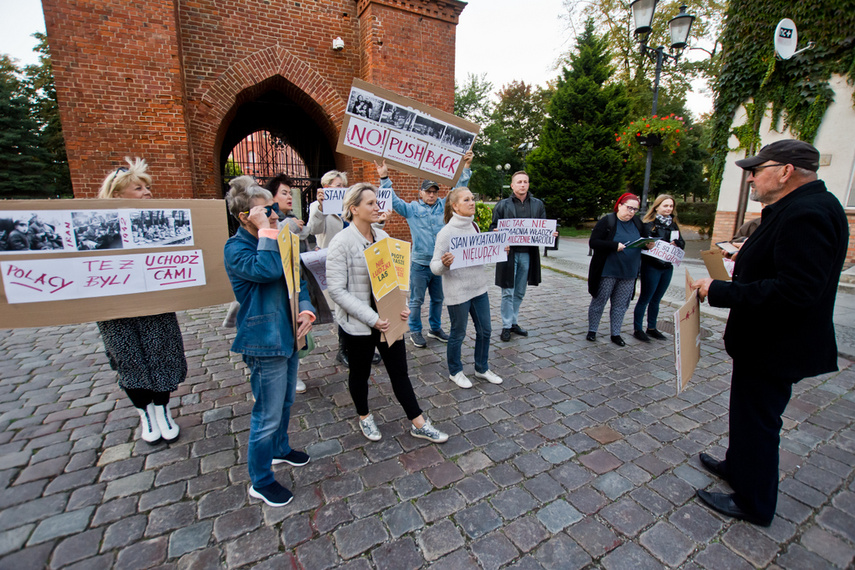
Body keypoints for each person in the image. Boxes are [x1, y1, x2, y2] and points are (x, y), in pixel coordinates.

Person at [691, 139, 848, 527]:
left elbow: (796, 290)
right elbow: (782, 263)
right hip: (763, 341)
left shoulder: (806, 213)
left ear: (786, 171)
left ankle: (753, 502)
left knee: (759, 421)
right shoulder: (798, 207)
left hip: (776, 344)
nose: (751, 179)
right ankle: (737, 467)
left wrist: (720, 290)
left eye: (758, 170)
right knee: (746, 414)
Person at [326, 183, 448, 444]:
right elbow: (336, 290)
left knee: (400, 372)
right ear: (353, 209)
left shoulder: (382, 238)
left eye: (376, 201)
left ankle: (418, 422)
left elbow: (393, 280)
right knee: (359, 374)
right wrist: (372, 319)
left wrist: (400, 306)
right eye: (370, 203)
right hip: (360, 324)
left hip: (389, 319)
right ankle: (364, 416)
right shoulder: (341, 243)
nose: (377, 206)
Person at [224, 176, 316, 507]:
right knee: (267, 414)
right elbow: (266, 271)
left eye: (274, 208)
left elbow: (297, 277)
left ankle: (280, 449)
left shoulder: (275, 238)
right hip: (264, 340)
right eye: (266, 210)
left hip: (289, 332)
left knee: (286, 402)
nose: (275, 214)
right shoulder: (236, 248)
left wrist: (306, 310)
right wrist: (266, 230)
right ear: (244, 216)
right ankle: (260, 480)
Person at [96, 158, 187, 444]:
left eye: (147, 187)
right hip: (116, 309)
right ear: (116, 194)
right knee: (129, 358)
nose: (147, 193)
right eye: (139, 188)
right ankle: (145, 412)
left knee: (162, 355)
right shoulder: (99, 229)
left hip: (154, 304)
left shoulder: (156, 225)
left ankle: (162, 408)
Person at [384, 151, 474, 348]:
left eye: (434, 191)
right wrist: (384, 178)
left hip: (439, 263)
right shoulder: (412, 209)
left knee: (438, 299)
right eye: (428, 191)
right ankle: (415, 330)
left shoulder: (444, 206)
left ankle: (435, 328)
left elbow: (459, 189)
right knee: (416, 300)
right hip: (419, 263)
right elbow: (393, 200)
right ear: (421, 193)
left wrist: (466, 167)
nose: (431, 194)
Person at [306, 170, 383, 367]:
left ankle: (366, 345)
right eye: (334, 185)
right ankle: (344, 349)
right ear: (326, 187)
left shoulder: (354, 205)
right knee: (342, 304)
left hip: (356, 259)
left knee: (361, 300)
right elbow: (313, 230)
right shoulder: (318, 206)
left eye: (341, 185)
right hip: (333, 259)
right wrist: (321, 208)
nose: (338, 188)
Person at [430, 187, 503, 388]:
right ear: (455, 206)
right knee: (458, 333)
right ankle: (455, 371)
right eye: (466, 200)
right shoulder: (446, 233)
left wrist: (497, 249)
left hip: (479, 289)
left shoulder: (475, 227)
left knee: (485, 330)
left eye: (473, 198)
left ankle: (481, 368)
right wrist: (445, 263)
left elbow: (480, 257)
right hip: (458, 292)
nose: (472, 202)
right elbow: (434, 267)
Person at [489, 171, 556, 342]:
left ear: (528, 184)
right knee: (507, 291)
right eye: (519, 182)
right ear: (512, 185)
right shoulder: (502, 205)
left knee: (519, 291)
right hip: (508, 254)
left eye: (525, 181)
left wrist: (550, 234)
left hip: (528, 253)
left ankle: (513, 322)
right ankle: (505, 325)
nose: (522, 184)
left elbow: (543, 227)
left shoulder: (538, 204)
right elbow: (492, 227)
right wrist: (495, 233)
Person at [586, 193, 648, 346]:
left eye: (635, 209)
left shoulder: (637, 223)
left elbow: (644, 239)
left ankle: (616, 333)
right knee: (599, 301)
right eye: (629, 208)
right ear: (620, 205)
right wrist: (614, 245)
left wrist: (649, 243)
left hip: (629, 272)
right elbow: (593, 242)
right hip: (608, 270)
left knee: (621, 305)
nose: (631, 212)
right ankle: (592, 330)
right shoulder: (608, 221)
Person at [632, 194, 684, 341]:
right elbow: (642, 244)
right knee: (645, 298)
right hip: (652, 266)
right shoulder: (649, 224)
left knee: (657, 299)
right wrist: (648, 244)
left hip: (667, 267)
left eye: (671, 206)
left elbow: (682, 243)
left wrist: (678, 244)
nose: (669, 208)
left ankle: (652, 327)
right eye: (665, 205)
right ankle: (638, 328)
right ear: (657, 206)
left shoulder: (673, 225)